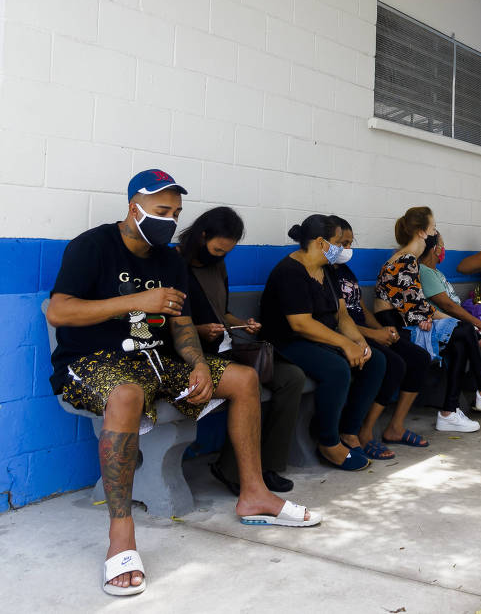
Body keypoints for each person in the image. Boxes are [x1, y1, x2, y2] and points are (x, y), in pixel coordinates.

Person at [47, 170, 320, 596]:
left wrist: (196, 362)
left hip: (157, 361)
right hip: (93, 361)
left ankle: (255, 495)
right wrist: (137, 300)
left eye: (175, 213)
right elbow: (59, 312)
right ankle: (121, 535)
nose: (170, 220)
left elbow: (182, 323)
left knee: (243, 378)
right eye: (161, 211)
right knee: (127, 393)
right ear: (133, 207)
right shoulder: (93, 246)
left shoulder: (170, 260)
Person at [177, 206, 306, 494]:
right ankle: (232, 470)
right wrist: (199, 330)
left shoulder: (217, 266)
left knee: (291, 377)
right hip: (194, 354)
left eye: (226, 252)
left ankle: (267, 465)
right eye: (218, 249)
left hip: (226, 346)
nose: (221, 256)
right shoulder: (175, 265)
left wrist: (242, 324)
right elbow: (172, 324)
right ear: (202, 235)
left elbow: (222, 313)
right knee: (247, 381)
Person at [375, 207, 481, 432]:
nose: (435, 232)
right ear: (423, 232)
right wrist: (447, 320)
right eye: (433, 227)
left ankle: (449, 412)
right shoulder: (405, 260)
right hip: (394, 327)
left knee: (459, 343)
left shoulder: (409, 260)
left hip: (408, 321)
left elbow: (416, 307)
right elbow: (414, 310)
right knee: (463, 331)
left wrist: (432, 317)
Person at [260, 214, 386, 472]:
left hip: (321, 338)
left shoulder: (327, 270)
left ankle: (349, 431)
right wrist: (343, 345)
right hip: (288, 342)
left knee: (375, 360)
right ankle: (328, 442)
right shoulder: (289, 272)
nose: (343, 249)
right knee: (337, 369)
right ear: (321, 242)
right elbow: (301, 324)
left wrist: (359, 342)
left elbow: (341, 315)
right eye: (340, 242)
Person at [328, 216, 430, 457]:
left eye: (351, 243)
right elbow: (337, 320)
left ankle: (395, 427)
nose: (347, 249)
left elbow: (360, 308)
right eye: (343, 243)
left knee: (419, 358)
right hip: (349, 335)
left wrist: (383, 330)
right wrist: (373, 333)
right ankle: (364, 431)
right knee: (392, 364)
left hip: (366, 329)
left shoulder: (345, 271)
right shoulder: (325, 275)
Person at [418, 229, 481, 406]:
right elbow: (449, 306)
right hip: (445, 327)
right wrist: (479, 323)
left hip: (459, 324)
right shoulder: (424, 271)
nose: (443, 250)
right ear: (434, 249)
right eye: (441, 246)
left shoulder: (437, 273)